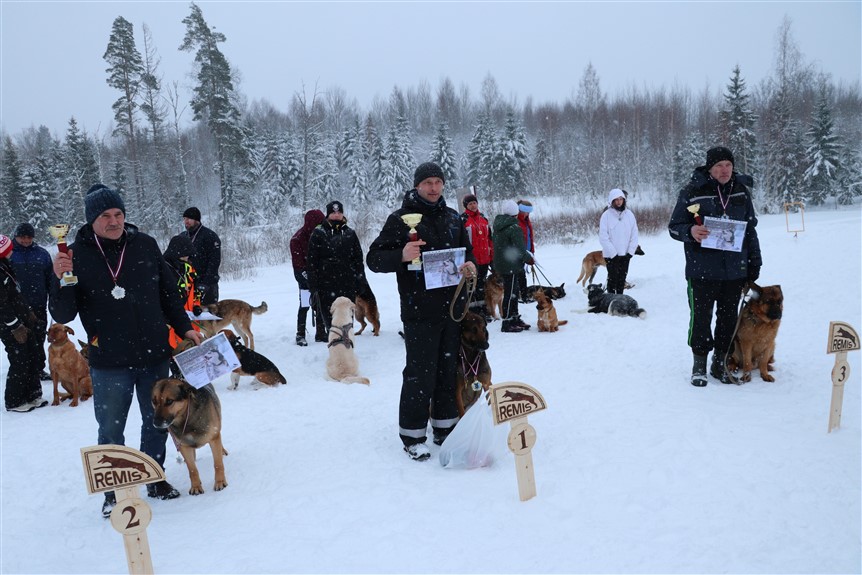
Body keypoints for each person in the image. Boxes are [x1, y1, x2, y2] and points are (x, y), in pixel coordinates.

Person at [50, 184, 203, 516]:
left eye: (118, 214)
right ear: (92, 219)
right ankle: (115, 490)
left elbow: (168, 294)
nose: (114, 221)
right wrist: (59, 277)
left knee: (157, 421)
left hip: (153, 355)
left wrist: (185, 327)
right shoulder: (75, 255)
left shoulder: (145, 245)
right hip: (109, 361)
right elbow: (63, 314)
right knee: (110, 427)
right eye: (105, 216)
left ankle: (154, 478)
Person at [366, 162, 477, 461]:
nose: (433, 187)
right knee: (420, 373)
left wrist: (470, 265)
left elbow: (467, 252)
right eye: (427, 182)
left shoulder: (454, 217)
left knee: (447, 369)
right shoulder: (401, 219)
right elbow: (373, 259)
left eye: (438, 182)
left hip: (452, 309)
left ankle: (444, 427)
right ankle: (413, 435)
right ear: (417, 185)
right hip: (418, 311)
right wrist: (400, 255)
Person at [668, 146, 762, 387]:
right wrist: (690, 231)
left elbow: (750, 230)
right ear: (710, 168)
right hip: (702, 271)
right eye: (719, 165)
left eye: (728, 165)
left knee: (728, 320)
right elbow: (674, 226)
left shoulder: (741, 191)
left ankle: (719, 363)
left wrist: (754, 264)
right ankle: (698, 366)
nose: (724, 170)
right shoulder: (692, 191)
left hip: (734, 271)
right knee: (700, 319)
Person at [1, 234, 49, 413]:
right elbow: (2, 304)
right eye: (9, 249)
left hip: (23, 319)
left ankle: (33, 394)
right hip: (10, 326)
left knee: (33, 353)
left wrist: (28, 314)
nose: (12, 251)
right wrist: (14, 325)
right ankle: (14, 401)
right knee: (20, 359)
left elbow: (15, 294)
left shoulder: (6, 266)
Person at [306, 201, 367, 337]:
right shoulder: (318, 233)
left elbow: (358, 260)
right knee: (331, 325)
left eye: (339, 212)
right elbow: (311, 262)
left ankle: (347, 350)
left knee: (346, 323)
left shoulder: (350, 233)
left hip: (347, 285)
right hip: (326, 286)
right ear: (328, 214)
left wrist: (360, 281)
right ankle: (335, 352)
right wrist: (313, 286)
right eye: (333, 212)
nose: (336, 215)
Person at [10, 223, 54, 380]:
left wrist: (53, 294)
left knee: (39, 338)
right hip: (16, 306)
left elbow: (50, 277)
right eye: (23, 237)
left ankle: (38, 369)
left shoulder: (42, 254)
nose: (26, 240)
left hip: (38, 304)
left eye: (29, 237)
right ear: (16, 236)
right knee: (20, 341)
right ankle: (22, 370)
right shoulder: (9, 254)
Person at [493, 200, 535, 333]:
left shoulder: (498, 225)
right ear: (516, 213)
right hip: (511, 265)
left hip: (502, 264)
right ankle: (507, 322)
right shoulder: (514, 228)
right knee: (511, 293)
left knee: (513, 292)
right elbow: (520, 249)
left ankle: (515, 318)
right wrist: (529, 259)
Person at [290, 209, 326, 346]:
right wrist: (309, 280)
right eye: (318, 224)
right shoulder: (297, 239)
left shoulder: (322, 235)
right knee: (305, 305)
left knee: (320, 305)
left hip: (319, 276)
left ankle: (321, 333)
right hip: (304, 279)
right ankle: (300, 334)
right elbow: (298, 266)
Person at [163, 234, 200, 352]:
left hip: (190, 318)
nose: (187, 258)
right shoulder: (163, 270)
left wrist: (196, 305)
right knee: (174, 348)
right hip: (171, 320)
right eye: (184, 255)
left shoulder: (188, 268)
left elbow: (194, 289)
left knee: (193, 346)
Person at [599, 189, 639, 294]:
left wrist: (630, 253)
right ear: (611, 201)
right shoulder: (606, 216)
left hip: (625, 255)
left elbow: (634, 235)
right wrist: (613, 254)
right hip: (611, 256)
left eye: (621, 199)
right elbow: (603, 237)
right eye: (616, 200)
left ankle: (620, 302)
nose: (618, 202)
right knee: (612, 280)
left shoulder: (629, 215)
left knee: (622, 280)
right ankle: (610, 302)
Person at [460, 193, 493, 319]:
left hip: (484, 258)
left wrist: (492, 256)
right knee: (470, 287)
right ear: (466, 206)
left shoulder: (483, 218)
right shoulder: (463, 219)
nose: (473, 205)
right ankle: (473, 312)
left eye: (474, 203)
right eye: (470, 204)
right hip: (471, 260)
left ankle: (483, 310)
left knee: (481, 286)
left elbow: (489, 238)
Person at [182, 207, 221, 305]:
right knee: (190, 317)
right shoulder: (182, 236)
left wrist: (206, 282)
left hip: (207, 285)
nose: (186, 221)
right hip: (188, 285)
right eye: (184, 219)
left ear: (196, 220)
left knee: (207, 317)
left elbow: (214, 262)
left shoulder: (210, 236)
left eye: (189, 219)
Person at [515, 199, 536, 302]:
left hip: (526, 252)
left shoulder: (527, 221)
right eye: (526, 212)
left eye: (528, 212)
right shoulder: (516, 222)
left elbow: (529, 236)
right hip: (518, 254)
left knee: (522, 275)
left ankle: (523, 295)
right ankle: (520, 296)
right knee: (520, 276)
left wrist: (531, 251)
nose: (527, 214)